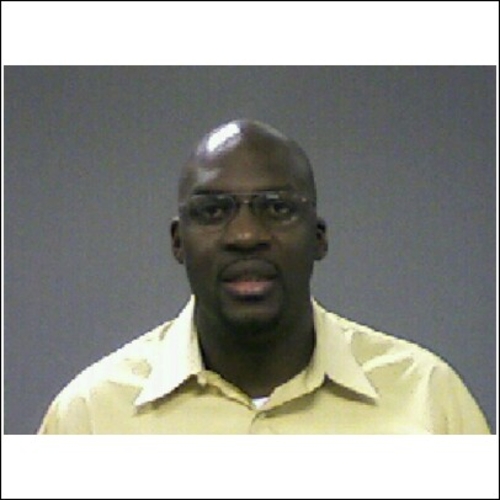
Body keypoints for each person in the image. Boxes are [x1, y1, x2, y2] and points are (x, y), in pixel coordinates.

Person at [38, 119, 490, 434]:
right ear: (178, 242)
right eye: (213, 211)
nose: (246, 235)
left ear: (318, 238)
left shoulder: (428, 399)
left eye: (277, 208)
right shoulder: (90, 417)